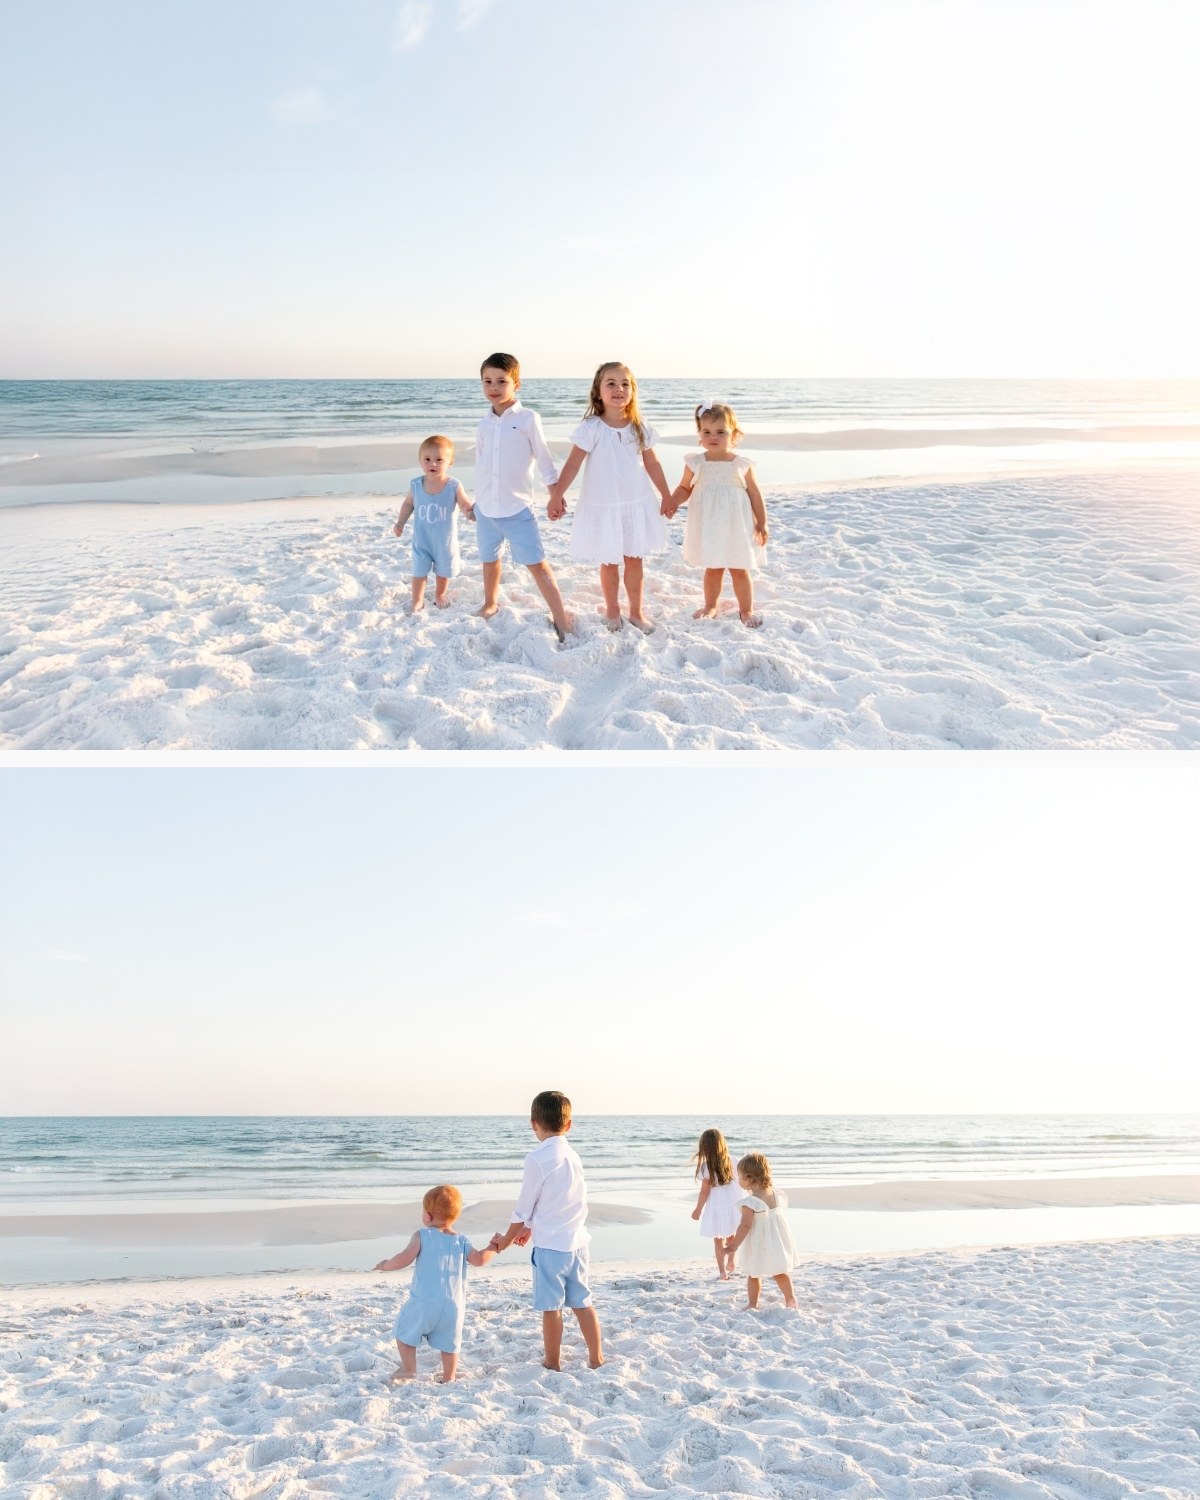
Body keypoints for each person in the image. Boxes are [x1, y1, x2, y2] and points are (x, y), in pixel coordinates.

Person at [547, 362, 670, 633]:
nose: (619, 389)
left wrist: (667, 495)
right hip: (604, 505)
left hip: (635, 503)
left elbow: (653, 464)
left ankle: (636, 611)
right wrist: (557, 495)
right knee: (610, 561)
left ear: (633, 391)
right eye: (611, 383)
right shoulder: (591, 427)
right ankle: (613, 609)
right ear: (598, 391)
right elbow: (572, 465)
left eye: (625, 384)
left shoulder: (639, 426)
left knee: (635, 560)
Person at [488, 1090, 603, 1371]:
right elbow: (559, 1199)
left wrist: (505, 1240)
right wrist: (529, 1228)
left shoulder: (537, 1158)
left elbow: (524, 1206)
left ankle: (552, 1363)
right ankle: (596, 1358)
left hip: (552, 1246)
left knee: (551, 1308)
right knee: (583, 1303)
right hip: (577, 1242)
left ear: (533, 1123)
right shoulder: (572, 1156)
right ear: (569, 1124)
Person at [474, 353, 572, 642]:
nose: (494, 387)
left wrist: (554, 492)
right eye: (487, 381)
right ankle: (490, 603)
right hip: (487, 510)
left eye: (501, 381)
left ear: (516, 384)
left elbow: (544, 457)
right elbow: (482, 463)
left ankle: (561, 617)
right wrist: (475, 503)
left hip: (517, 509)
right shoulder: (484, 423)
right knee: (490, 561)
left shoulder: (528, 418)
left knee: (537, 564)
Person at [372, 1183, 501, 1383]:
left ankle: (409, 1369)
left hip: (424, 1303)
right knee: (450, 1343)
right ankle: (449, 1376)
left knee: (404, 1331)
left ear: (428, 1216)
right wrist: (493, 1246)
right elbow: (480, 1260)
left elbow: (404, 1258)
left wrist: (386, 1265)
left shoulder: (422, 1236)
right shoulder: (462, 1240)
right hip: (453, 1306)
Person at [663, 400, 769, 627]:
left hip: (736, 525)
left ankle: (746, 610)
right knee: (713, 567)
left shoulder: (741, 464)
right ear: (699, 434)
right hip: (709, 524)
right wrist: (672, 501)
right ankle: (711, 605)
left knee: (740, 568)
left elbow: (755, 494)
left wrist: (762, 522)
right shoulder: (696, 462)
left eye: (721, 431)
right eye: (707, 431)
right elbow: (684, 488)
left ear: (734, 435)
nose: (713, 436)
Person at [392, 435, 475, 612]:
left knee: (443, 571)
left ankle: (440, 593)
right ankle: (417, 599)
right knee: (419, 571)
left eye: (439, 460)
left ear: (450, 462)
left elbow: (464, 503)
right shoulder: (416, 484)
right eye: (427, 460)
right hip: (422, 539)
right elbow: (408, 504)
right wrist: (400, 522)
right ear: (420, 461)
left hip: (444, 540)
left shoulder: (453, 485)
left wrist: (469, 512)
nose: (433, 464)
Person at [724, 1152, 798, 1310]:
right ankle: (790, 1299)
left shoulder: (750, 1202)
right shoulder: (775, 1194)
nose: (738, 1179)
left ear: (749, 1178)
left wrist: (734, 1245)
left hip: (759, 1242)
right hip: (777, 1239)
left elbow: (745, 1226)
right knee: (779, 1271)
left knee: (753, 1273)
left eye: (740, 1176)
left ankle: (753, 1303)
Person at [690, 1127, 742, 1280]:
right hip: (733, 1205)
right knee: (732, 1234)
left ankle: (722, 1272)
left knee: (718, 1239)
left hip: (717, 1207)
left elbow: (704, 1192)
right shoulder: (734, 1160)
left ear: (705, 1147)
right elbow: (743, 1182)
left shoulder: (706, 1167)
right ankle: (731, 1261)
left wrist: (698, 1209)